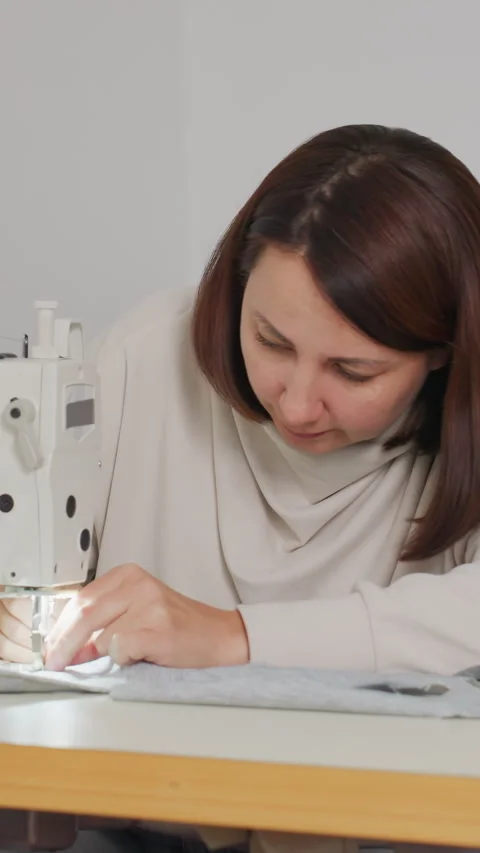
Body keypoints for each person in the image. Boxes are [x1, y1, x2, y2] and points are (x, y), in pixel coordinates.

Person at [1, 123, 480, 853]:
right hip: (131, 816)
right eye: (272, 341)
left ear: (441, 356)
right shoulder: (149, 351)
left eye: (353, 372)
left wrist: (232, 637)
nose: (295, 404)